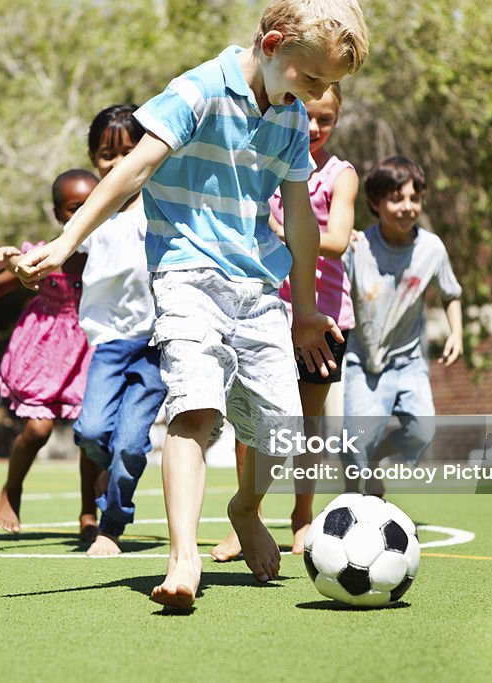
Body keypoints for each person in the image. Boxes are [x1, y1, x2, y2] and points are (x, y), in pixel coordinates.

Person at [15, 0, 369, 607]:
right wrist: (66, 240)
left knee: (279, 429)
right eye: (312, 79)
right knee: (195, 409)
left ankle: (245, 507)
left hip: (259, 285)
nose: (318, 96)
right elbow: (132, 171)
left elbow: (304, 225)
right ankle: (183, 557)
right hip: (185, 275)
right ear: (273, 43)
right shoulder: (199, 90)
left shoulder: (287, 117)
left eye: (329, 86)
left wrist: (306, 310)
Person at [0, 105, 167, 557]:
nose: (119, 162)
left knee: (131, 444)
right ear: (94, 158)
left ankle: (110, 524)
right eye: (108, 154)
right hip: (107, 344)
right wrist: (18, 258)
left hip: (154, 344)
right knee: (91, 433)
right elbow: (58, 249)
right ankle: (101, 493)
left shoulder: (162, 206)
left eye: (130, 152)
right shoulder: (94, 213)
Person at [212, 82, 358, 561]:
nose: (315, 128)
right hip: (262, 311)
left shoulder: (340, 175)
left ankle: (302, 516)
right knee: (250, 421)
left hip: (323, 318)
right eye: (308, 116)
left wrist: (278, 229)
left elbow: (336, 239)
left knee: (308, 423)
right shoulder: (271, 166)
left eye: (327, 119)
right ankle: (245, 519)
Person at [0, 170, 103, 540]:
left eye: (92, 205)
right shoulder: (45, 254)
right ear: (59, 214)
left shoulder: (107, 254)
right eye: (74, 208)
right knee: (38, 428)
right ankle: (13, 487)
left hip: (89, 347)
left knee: (91, 433)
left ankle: (88, 512)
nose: (84, 214)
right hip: (44, 348)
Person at [342, 155, 463, 496]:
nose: (407, 207)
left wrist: (457, 332)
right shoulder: (358, 246)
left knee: (423, 431)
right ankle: (352, 501)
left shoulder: (432, 248)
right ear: (375, 203)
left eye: (414, 198)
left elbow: (450, 293)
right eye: (396, 199)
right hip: (363, 362)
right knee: (355, 446)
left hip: (409, 362)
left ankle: (380, 455)